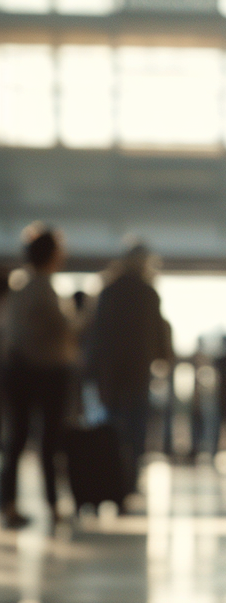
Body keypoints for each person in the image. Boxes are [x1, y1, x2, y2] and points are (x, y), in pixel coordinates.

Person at [2, 224, 78, 528]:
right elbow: (63, 330)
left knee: (17, 440)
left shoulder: (19, 290)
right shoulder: (45, 290)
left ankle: (9, 502)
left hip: (18, 371)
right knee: (48, 441)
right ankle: (53, 504)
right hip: (47, 373)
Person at [85, 241, 169, 493]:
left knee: (111, 426)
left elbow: (96, 334)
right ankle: (130, 480)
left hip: (111, 371)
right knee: (136, 428)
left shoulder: (109, 291)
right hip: (138, 371)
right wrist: (162, 358)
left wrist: (92, 372)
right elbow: (158, 334)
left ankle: (111, 478)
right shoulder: (148, 292)